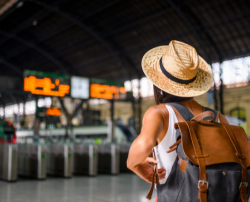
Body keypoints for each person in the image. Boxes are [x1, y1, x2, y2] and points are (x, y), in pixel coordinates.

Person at [127, 40, 226, 201]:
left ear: (158, 81)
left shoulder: (160, 113)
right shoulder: (218, 117)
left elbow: (142, 146)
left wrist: (135, 164)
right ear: (193, 84)